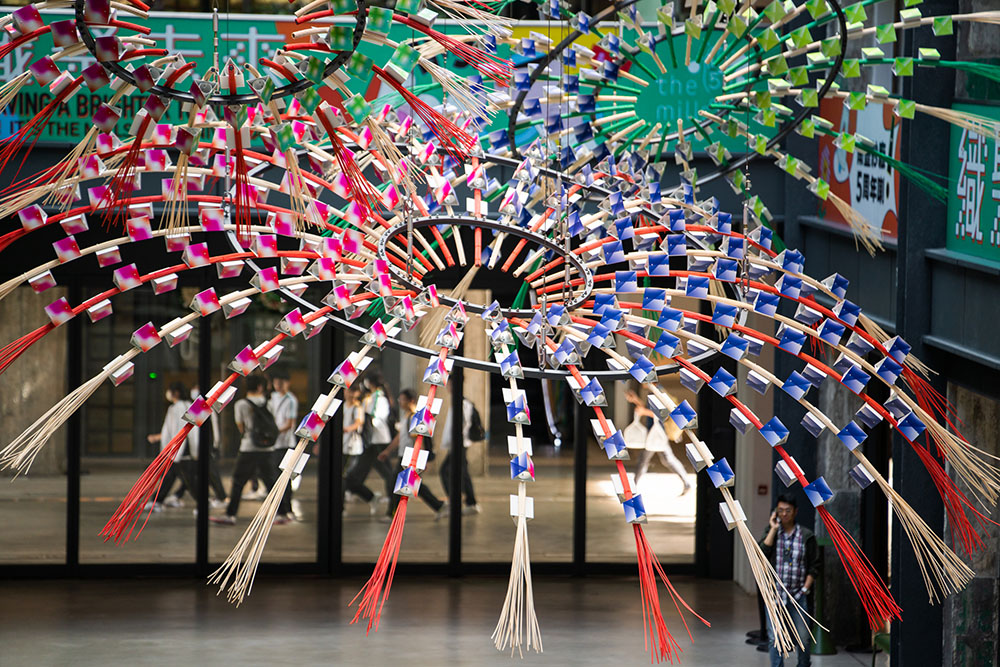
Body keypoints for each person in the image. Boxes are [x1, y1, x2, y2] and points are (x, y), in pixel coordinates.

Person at [211, 374, 292, 525]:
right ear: (260, 387)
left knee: (238, 482)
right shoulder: (269, 403)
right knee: (271, 482)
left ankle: (230, 514)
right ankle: (282, 513)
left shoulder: (241, 404)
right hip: (268, 449)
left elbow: (241, 428)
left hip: (248, 448)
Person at [758, 494, 821, 667]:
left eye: (788, 510)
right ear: (775, 512)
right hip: (775, 595)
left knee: (803, 638)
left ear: (795, 512)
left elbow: (815, 565)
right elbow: (761, 555)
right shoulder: (772, 533)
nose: (784, 514)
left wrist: (805, 589)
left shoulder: (806, 535)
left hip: (798, 595)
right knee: (775, 638)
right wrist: (772, 528)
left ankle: (803, 665)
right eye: (780, 510)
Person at [378, 389, 447, 520]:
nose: (400, 402)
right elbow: (400, 437)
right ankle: (439, 506)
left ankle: (392, 514)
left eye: (402, 399)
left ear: (411, 400)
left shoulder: (415, 417)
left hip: (410, 457)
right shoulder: (407, 416)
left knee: (395, 483)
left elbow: (419, 440)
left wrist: (421, 460)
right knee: (413, 485)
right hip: (404, 455)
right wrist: (388, 450)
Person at [343, 374, 394, 515]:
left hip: (377, 441)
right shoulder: (371, 397)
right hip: (371, 441)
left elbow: (374, 417)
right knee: (358, 473)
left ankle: (392, 503)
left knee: (388, 474)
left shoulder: (378, 398)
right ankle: (370, 497)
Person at [625, 388, 691, 494]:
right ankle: (687, 483)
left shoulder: (659, 392)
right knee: (665, 459)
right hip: (655, 433)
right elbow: (649, 409)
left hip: (657, 434)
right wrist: (636, 400)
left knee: (646, 460)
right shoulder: (652, 391)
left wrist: (644, 412)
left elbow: (664, 414)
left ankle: (632, 488)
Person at [146, 382, 200, 510]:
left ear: (176, 393)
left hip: (178, 449)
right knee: (173, 476)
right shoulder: (192, 405)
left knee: (187, 480)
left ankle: (158, 501)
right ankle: (158, 501)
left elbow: (172, 430)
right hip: (187, 448)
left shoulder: (174, 408)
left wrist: (167, 446)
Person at [439, 397, 482, 515]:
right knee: (462, 472)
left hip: (459, 444)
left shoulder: (462, 404)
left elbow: (462, 424)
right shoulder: (461, 403)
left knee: (445, 471)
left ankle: (457, 501)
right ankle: (470, 502)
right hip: (458, 444)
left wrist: (454, 442)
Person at [268, 369, 299, 514]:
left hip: (285, 444)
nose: (278, 385)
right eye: (276, 382)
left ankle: (287, 509)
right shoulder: (272, 397)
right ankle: (282, 509)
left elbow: (290, 424)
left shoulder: (291, 400)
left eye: (281, 382)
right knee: (275, 476)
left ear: (288, 383)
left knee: (284, 477)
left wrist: (273, 432)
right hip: (273, 443)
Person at [341, 386, 366, 502]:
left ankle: (369, 496)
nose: (350, 394)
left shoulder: (357, 407)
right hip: (343, 444)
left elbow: (358, 422)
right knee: (345, 475)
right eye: (349, 391)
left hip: (353, 445)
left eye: (353, 392)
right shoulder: (343, 406)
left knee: (347, 476)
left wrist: (346, 429)